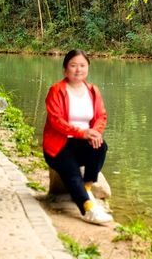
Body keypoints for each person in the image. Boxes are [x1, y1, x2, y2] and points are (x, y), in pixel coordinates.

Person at [42, 49, 113, 224]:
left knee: (100, 145)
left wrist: (94, 132)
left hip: (82, 143)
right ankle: (88, 209)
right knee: (71, 170)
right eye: (73, 65)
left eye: (82, 65)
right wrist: (83, 132)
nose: (78, 70)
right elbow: (56, 120)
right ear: (65, 69)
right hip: (58, 145)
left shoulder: (93, 91)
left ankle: (86, 187)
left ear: (88, 68)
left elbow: (101, 116)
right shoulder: (56, 90)